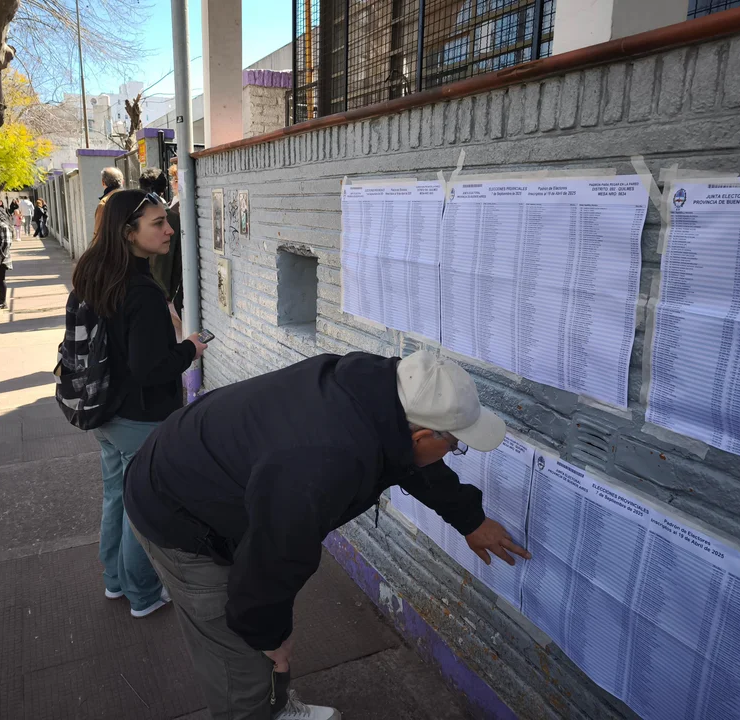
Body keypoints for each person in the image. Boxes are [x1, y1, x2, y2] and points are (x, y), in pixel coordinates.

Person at [124, 350, 529, 720]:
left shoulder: (374, 391)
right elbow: (275, 557)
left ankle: (275, 703)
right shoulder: (324, 461)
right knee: (242, 655)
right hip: (176, 510)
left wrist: (469, 518)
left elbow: (406, 458)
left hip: (200, 466)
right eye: (456, 445)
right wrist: (270, 637)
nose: (453, 451)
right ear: (422, 436)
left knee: (260, 632)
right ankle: (257, 708)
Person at [71, 189, 208, 618]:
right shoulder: (142, 291)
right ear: (128, 233)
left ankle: (116, 582)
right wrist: (189, 349)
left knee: (116, 497)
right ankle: (144, 595)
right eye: (157, 224)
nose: (169, 230)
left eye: (166, 221)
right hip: (141, 419)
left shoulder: (95, 272)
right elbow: (151, 369)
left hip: (105, 411)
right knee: (141, 509)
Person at [139, 167, 183, 320]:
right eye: (173, 180)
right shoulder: (170, 211)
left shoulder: (175, 212)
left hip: (159, 287)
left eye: (176, 180)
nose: (174, 184)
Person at [94, 167, 124, 236]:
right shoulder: (133, 199)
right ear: (122, 182)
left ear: (103, 182)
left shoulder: (104, 203)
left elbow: (98, 233)